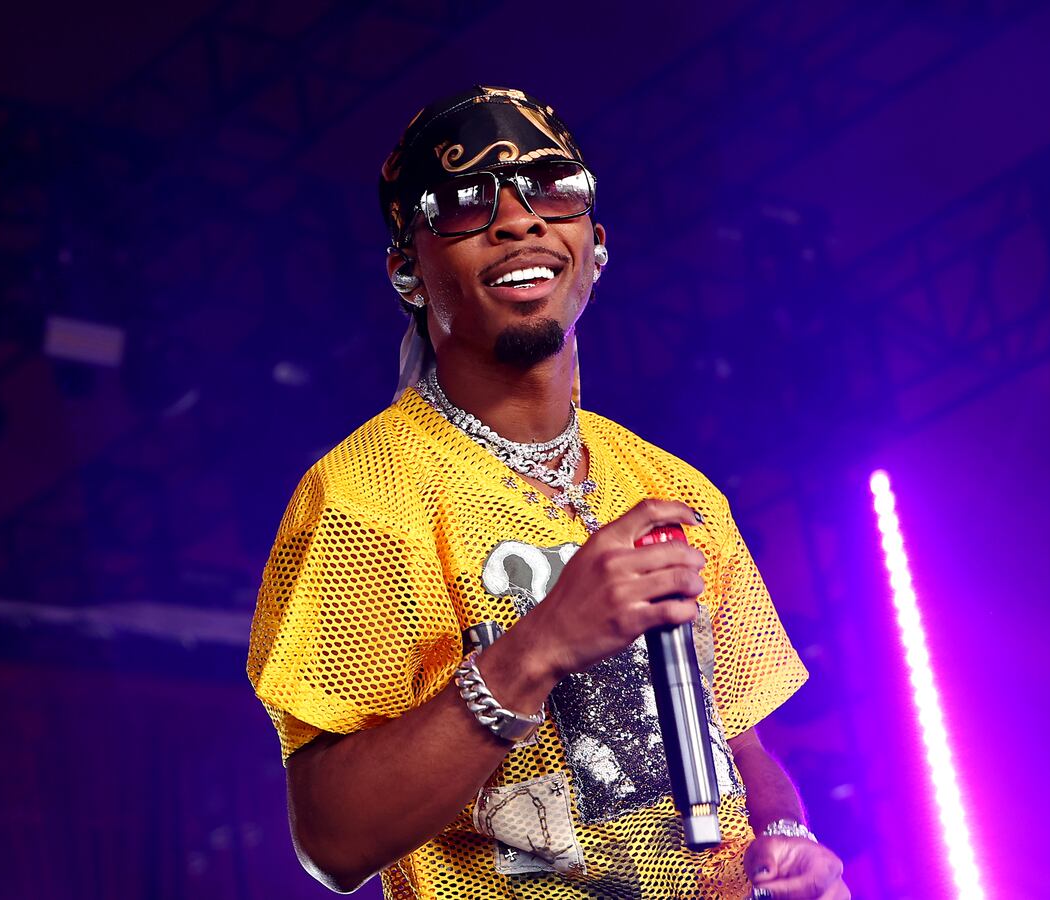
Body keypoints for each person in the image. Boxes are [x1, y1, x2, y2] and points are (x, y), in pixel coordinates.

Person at [247, 85, 849, 900]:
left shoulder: (671, 485)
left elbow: (737, 737)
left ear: (593, 244)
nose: (519, 219)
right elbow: (332, 838)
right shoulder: (365, 498)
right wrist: (541, 645)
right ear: (407, 270)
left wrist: (785, 836)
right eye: (464, 204)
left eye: (552, 190)